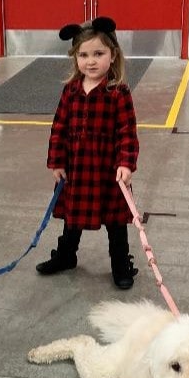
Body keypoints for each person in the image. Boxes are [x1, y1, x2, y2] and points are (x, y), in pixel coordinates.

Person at [36, 16, 139, 289]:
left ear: (113, 54)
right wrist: (57, 162)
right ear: (75, 58)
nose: (90, 61)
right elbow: (58, 127)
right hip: (77, 170)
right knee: (72, 219)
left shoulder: (118, 92)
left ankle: (121, 265)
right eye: (83, 55)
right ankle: (66, 256)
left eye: (98, 53)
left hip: (109, 173)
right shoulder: (70, 91)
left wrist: (126, 164)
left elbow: (128, 132)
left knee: (116, 225)